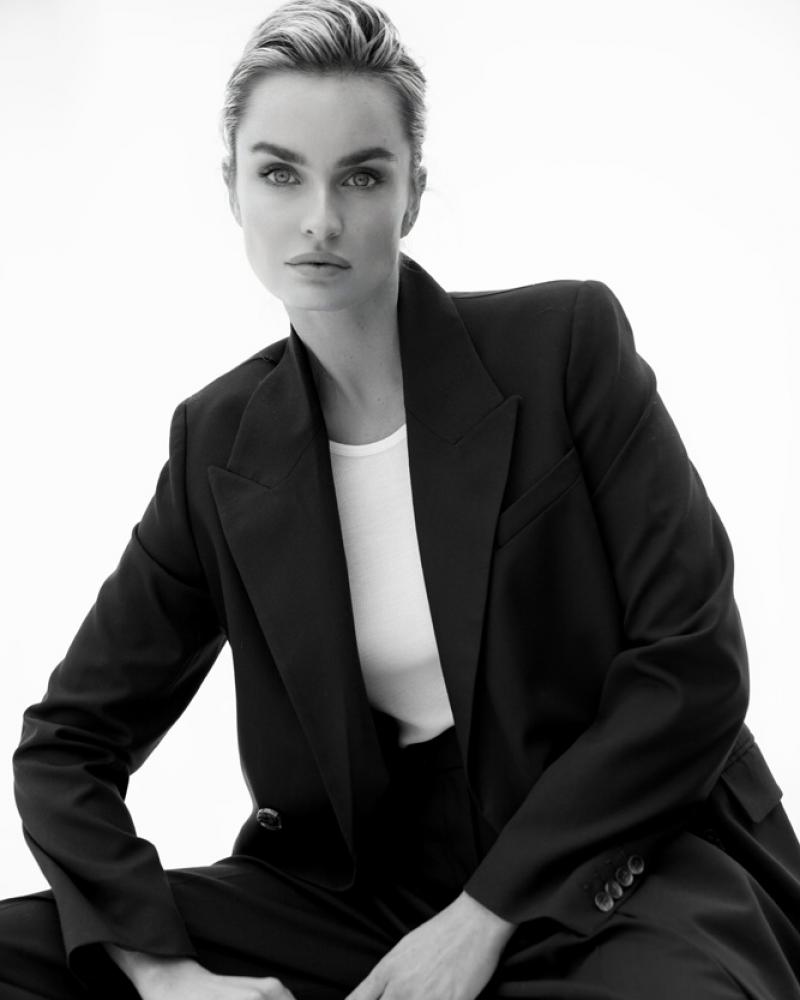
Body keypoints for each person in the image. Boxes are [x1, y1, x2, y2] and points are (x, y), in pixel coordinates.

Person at [2, 0, 800, 997]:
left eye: (362, 175)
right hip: (364, 890)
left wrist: (480, 918)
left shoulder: (562, 350)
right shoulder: (217, 443)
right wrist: (164, 975)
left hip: (616, 855)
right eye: (280, 173)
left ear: (413, 191)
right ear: (232, 188)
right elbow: (67, 746)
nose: (319, 219)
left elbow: (693, 665)